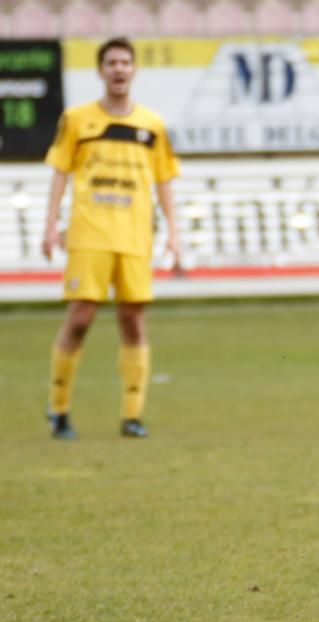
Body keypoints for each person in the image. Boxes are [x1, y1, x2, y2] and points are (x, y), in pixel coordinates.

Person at [42, 37, 180, 440]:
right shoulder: (76, 119)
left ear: (133, 70)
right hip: (88, 232)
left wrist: (173, 232)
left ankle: (132, 415)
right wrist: (51, 225)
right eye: (111, 62)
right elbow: (60, 172)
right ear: (100, 71)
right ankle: (59, 408)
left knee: (132, 320)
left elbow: (164, 180)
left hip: (135, 233)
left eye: (125, 62)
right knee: (81, 317)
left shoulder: (151, 125)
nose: (119, 69)